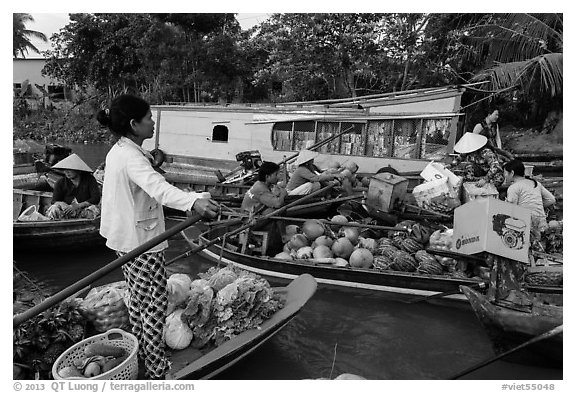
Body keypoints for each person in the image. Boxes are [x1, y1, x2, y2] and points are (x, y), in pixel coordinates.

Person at [96, 94, 219, 380]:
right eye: (148, 118)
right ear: (134, 124)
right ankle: (156, 372)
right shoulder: (129, 156)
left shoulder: (121, 150)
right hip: (141, 243)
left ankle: (142, 357)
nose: (152, 122)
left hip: (127, 238)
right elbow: (158, 187)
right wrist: (193, 203)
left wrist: (193, 194)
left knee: (140, 304)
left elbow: (150, 178)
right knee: (154, 304)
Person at [503, 159, 556, 242]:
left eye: (505, 173)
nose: (504, 175)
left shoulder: (513, 188)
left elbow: (511, 209)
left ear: (512, 173)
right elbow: (551, 199)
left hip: (526, 224)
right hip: (541, 221)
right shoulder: (536, 183)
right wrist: (538, 206)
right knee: (541, 245)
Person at [45, 153, 101, 220]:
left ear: (78, 170)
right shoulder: (60, 182)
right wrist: (62, 204)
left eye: (70, 170)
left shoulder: (89, 179)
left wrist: (77, 206)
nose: (67, 172)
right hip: (67, 210)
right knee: (54, 208)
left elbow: (95, 198)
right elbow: (55, 200)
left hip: (83, 209)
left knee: (94, 209)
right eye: (65, 170)